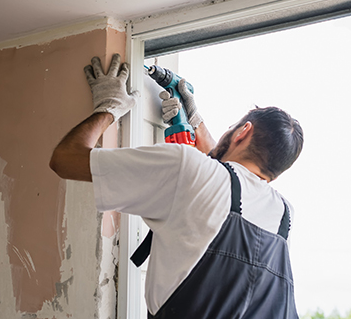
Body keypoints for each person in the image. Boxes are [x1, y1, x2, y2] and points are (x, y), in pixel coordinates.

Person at [50, 54, 304, 318]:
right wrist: (196, 121)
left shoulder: (188, 167)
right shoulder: (283, 216)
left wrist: (109, 108)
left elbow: (65, 160)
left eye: (233, 128)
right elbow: (230, 182)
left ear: (242, 132)